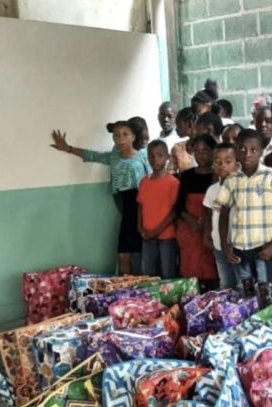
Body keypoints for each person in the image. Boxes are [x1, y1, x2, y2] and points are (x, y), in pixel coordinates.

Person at [50, 121, 150, 274]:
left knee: (143, 254)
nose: (120, 139)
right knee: (123, 255)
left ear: (133, 137)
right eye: (116, 135)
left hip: (143, 206)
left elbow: (152, 181)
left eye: (125, 134)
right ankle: (126, 288)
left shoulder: (143, 156)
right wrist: (68, 148)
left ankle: (146, 286)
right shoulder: (114, 156)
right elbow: (93, 156)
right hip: (125, 206)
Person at [218, 129, 272, 301]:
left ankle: (267, 317)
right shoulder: (232, 180)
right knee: (246, 294)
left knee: (267, 292)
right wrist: (225, 246)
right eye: (242, 149)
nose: (247, 154)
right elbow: (223, 215)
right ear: (236, 150)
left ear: (261, 151)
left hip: (264, 247)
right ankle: (250, 317)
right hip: (239, 249)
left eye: (253, 150)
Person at [177, 135, 219, 285]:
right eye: (197, 151)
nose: (201, 155)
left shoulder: (218, 176)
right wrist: (191, 220)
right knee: (191, 269)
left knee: (212, 268)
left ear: (213, 152)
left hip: (211, 229)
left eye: (205, 151)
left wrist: (206, 222)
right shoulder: (186, 176)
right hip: (190, 230)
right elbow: (179, 206)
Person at [137, 140, 180, 279]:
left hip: (166, 236)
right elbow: (140, 206)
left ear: (167, 157)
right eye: (151, 155)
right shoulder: (144, 182)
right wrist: (140, 227)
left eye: (160, 155)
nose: (155, 159)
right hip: (147, 236)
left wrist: (156, 231)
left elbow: (174, 212)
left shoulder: (173, 183)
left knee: (168, 273)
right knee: (148, 273)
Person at [203, 143, 239, 290]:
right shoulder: (212, 190)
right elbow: (209, 215)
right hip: (219, 246)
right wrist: (207, 235)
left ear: (237, 163)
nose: (222, 166)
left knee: (243, 285)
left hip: (238, 247)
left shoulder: (242, 187)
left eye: (228, 161)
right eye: (218, 162)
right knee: (226, 285)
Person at [171, 107, 196, 174]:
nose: (176, 129)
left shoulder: (208, 147)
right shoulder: (177, 148)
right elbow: (171, 174)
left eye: (178, 125)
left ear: (189, 124)